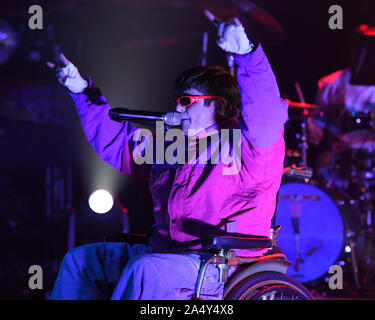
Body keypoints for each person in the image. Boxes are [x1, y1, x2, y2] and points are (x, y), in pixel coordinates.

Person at [47, 12, 288, 300]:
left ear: (219, 106)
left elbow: (265, 112)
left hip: (219, 261)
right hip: (169, 253)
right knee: (79, 261)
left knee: (145, 270)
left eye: (187, 100)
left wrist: (247, 53)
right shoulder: (173, 145)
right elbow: (119, 144)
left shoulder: (248, 146)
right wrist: (82, 92)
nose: (179, 106)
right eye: (178, 100)